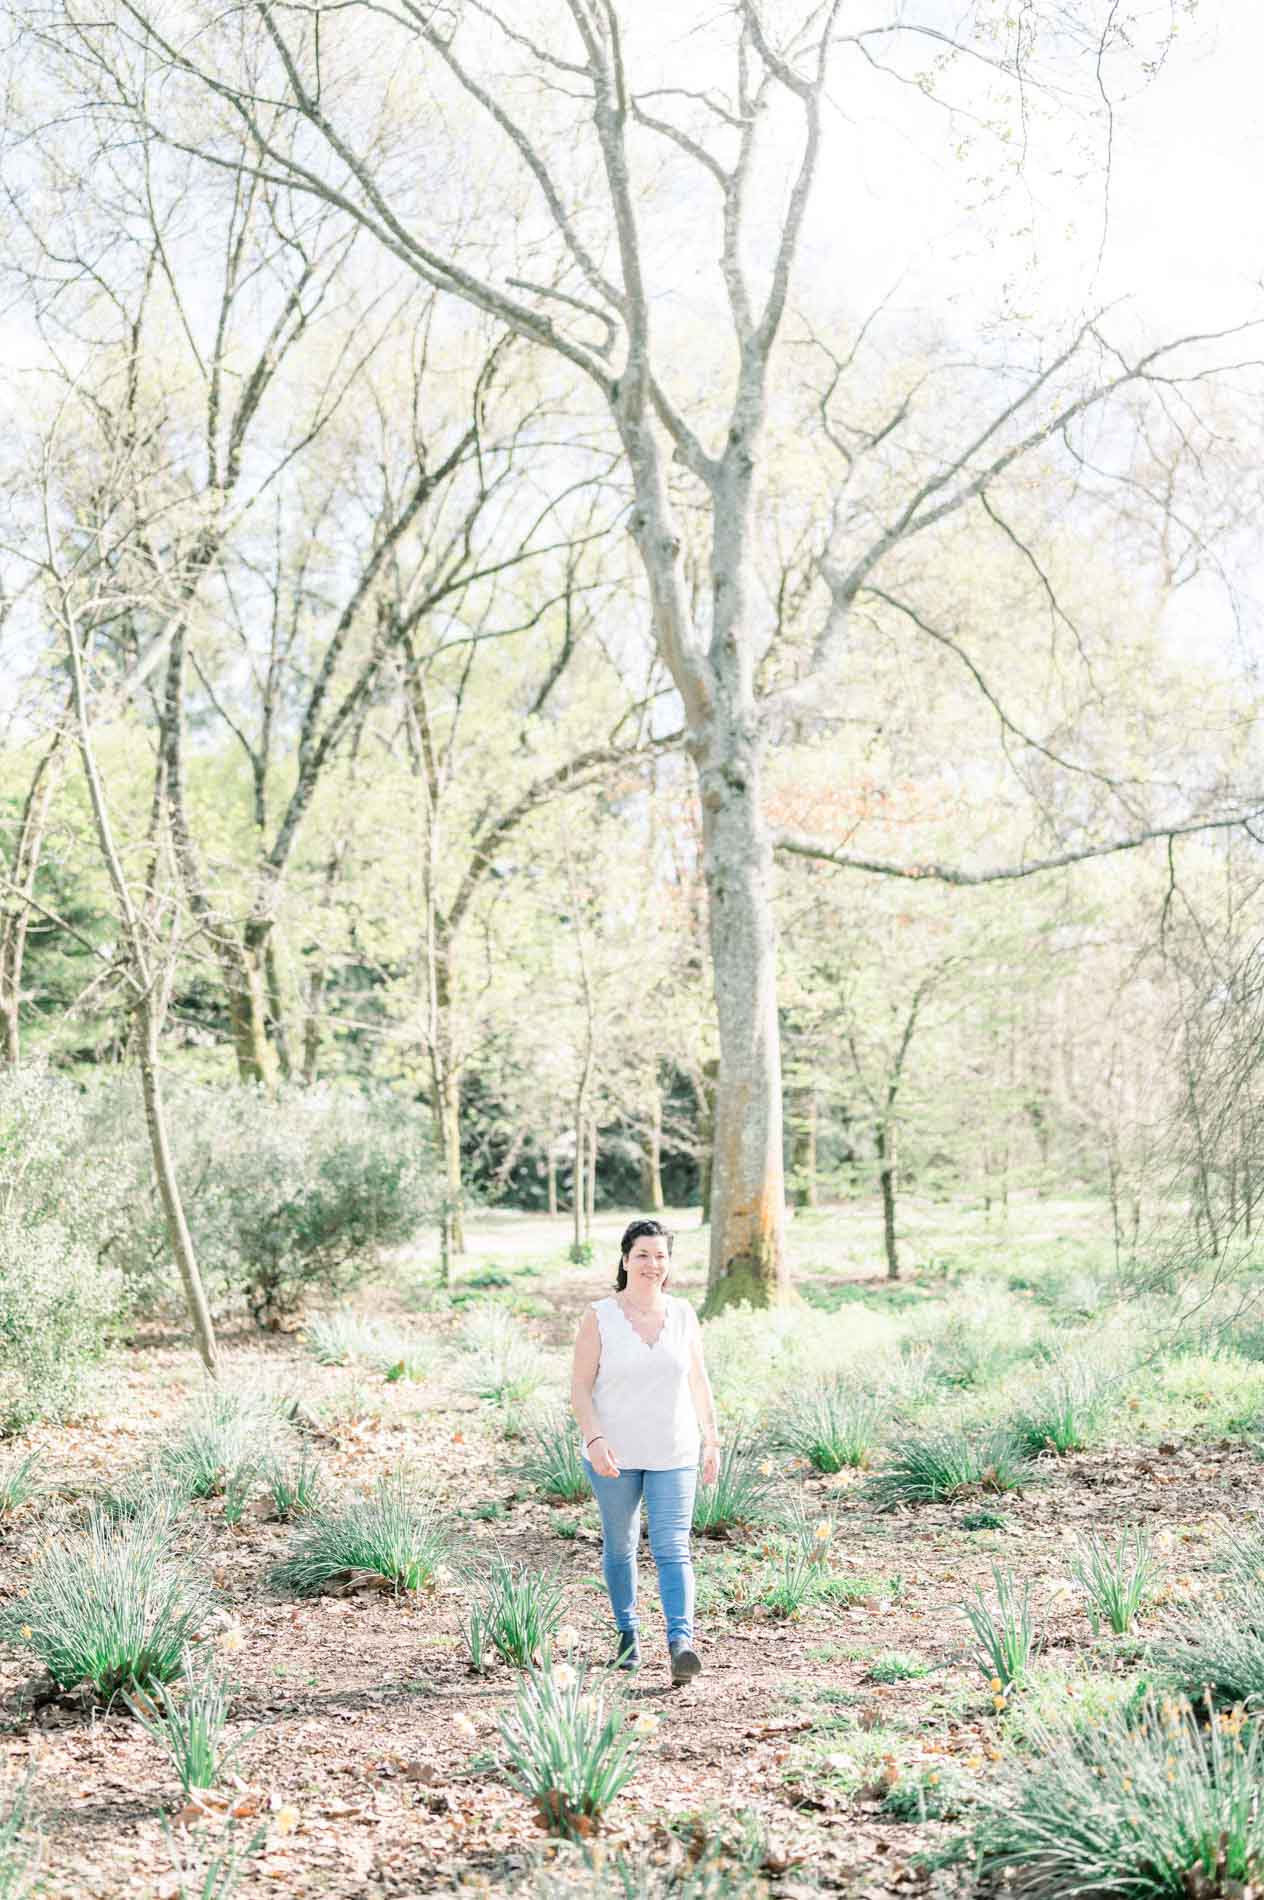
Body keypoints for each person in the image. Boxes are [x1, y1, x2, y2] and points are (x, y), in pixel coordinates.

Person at [569, 1217, 720, 1685]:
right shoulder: (600, 1316)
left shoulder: (682, 1314)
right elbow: (579, 1386)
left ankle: (681, 1643)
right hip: (613, 1453)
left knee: (675, 1548)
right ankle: (627, 1634)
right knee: (622, 1545)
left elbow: (698, 1380)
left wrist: (711, 1439)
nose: (652, 1264)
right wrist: (594, 1440)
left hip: (674, 1450)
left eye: (660, 1256)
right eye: (643, 1255)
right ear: (625, 1259)